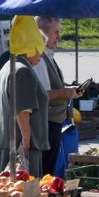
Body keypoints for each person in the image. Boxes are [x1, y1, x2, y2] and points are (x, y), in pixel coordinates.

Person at [0, 15, 49, 178]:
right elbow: (22, 109)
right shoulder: (22, 70)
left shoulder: (8, 67)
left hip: (8, 143)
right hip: (20, 147)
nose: (41, 56)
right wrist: (26, 139)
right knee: (25, 196)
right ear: (31, 47)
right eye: (40, 50)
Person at [34, 16, 81, 176]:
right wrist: (66, 93)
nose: (59, 37)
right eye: (56, 32)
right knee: (45, 169)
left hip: (54, 120)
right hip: (46, 121)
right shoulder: (39, 58)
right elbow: (43, 94)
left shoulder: (47, 56)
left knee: (49, 168)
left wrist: (69, 90)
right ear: (44, 33)